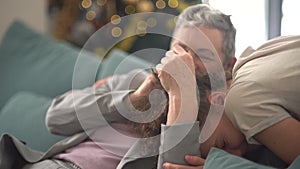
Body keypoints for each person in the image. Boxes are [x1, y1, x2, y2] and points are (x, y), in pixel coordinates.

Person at [0, 4, 237, 169]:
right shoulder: (136, 79)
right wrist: (131, 100)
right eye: (180, 49)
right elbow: (55, 117)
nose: (185, 62)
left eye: (201, 55)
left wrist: (181, 95)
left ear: (228, 65)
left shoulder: (219, 120)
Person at [163, 35, 300, 169]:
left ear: (219, 100)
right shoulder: (253, 60)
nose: (236, 155)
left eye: (222, 144)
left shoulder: (241, 100)